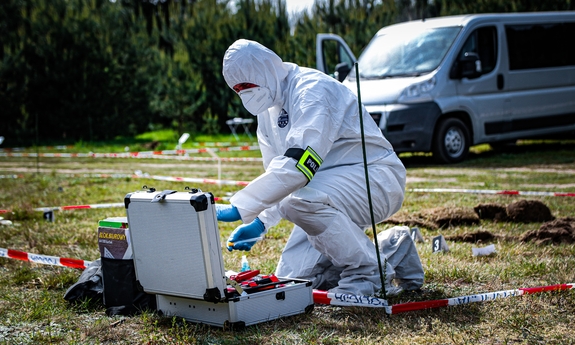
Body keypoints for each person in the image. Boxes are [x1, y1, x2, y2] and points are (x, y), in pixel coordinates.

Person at [216, 39, 418, 297]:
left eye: (247, 85)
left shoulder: (311, 90)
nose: (244, 93)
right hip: (321, 193)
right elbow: (277, 175)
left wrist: (241, 207)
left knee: (296, 203)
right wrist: (260, 222)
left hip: (374, 178)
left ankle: (370, 273)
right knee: (296, 281)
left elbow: (298, 167)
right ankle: (393, 245)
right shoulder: (267, 112)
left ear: (267, 69)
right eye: (237, 89)